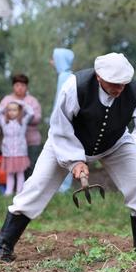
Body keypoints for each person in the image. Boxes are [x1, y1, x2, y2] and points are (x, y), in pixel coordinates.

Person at [0, 53, 136, 262]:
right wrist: (74, 160)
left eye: (123, 83)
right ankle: (3, 247)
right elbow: (60, 127)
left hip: (116, 144)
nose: (120, 89)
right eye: (114, 83)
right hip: (64, 142)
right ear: (98, 77)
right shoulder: (74, 87)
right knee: (36, 187)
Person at [0, 74, 42, 177]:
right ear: (13, 86)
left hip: (31, 141)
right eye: (17, 85)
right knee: (13, 168)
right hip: (11, 144)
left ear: (26, 87)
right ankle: (14, 190)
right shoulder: (6, 100)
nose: (20, 87)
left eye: (23, 85)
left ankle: (31, 190)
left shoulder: (32, 101)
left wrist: (21, 118)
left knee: (30, 167)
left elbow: (37, 118)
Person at [0, 101, 34, 196]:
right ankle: (8, 191)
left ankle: (19, 191)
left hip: (20, 153)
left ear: (19, 111)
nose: (12, 112)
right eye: (9, 110)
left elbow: (31, 113)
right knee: (10, 173)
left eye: (14, 110)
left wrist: (22, 104)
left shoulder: (23, 121)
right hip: (8, 153)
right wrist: (4, 107)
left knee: (20, 173)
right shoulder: (3, 121)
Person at [51, 48, 75, 193]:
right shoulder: (67, 76)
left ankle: (63, 188)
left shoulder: (65, 77)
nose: (51, 62)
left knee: (64, 154)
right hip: (66, 124)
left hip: (64, 125)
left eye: (54, 58)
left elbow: (60, 104)